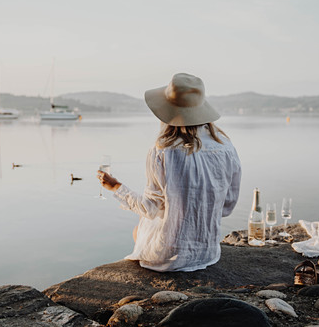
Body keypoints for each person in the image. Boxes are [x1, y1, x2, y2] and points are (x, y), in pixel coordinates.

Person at [97, 73, 241, 272]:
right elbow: (227, 206)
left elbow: (150, 209)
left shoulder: (162, 151)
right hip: (208, 253)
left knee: (139, 229)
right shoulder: (226, 147)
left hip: (168, 258)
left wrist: (115, 187)